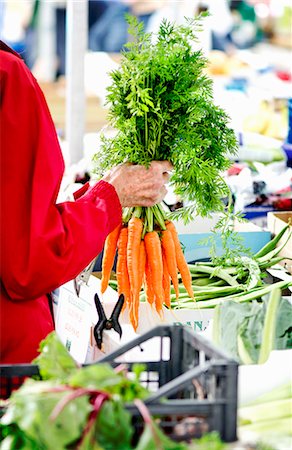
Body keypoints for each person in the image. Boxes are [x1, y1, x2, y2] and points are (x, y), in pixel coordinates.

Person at [0, 41, 172, 364]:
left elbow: (15, 219)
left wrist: (97, 197)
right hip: (10, 357)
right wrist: (111, 197)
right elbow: (31, 257)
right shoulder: (6, 76)